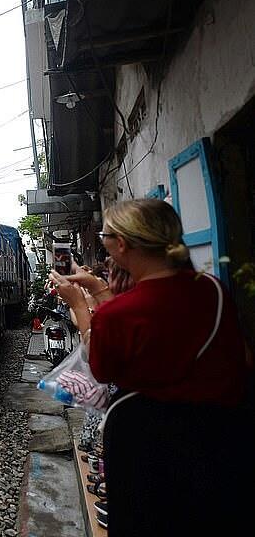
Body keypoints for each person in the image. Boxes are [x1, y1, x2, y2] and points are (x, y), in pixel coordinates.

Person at [50, 199, 252, 537]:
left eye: (105, 237)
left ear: (122, 244)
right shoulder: (213, 290)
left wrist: (78, 306)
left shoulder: (120, 314)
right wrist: (99, 289)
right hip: (220, 434)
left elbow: (100, 366)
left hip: (147, 443)